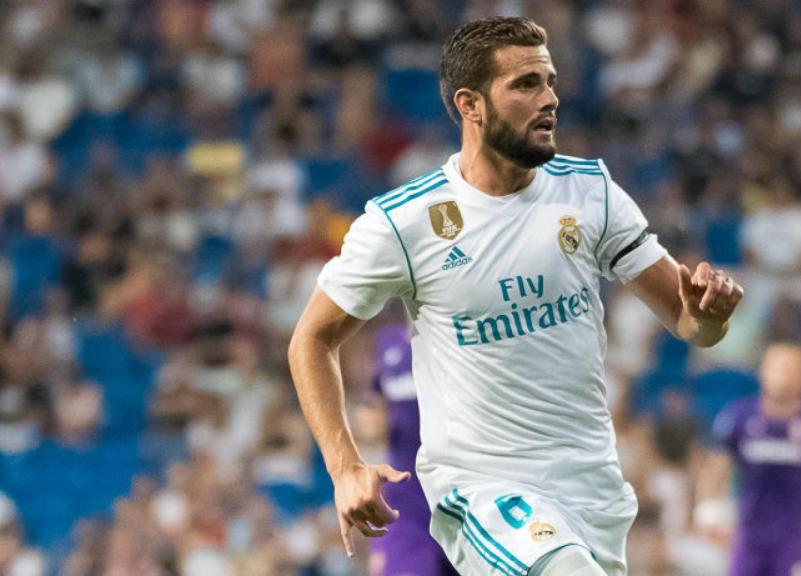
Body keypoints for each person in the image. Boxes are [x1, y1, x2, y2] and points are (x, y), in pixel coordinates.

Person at [288, 17, 743, 576]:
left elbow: (687, 320)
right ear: (470, 104)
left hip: (593, 488)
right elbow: (310, 339)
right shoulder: (405, 223)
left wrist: (710, 318)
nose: (550, 98)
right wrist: (343, 467)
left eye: (549, 81)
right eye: (526, 84)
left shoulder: (590, 191)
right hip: (484, 487)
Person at [710, 343, 801, 576]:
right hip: (749, 538)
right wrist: (709, 511)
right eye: (778, 367)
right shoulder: (739, 418)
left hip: (793, 541)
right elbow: (717, 466)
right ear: (763, 371)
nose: (784, 375)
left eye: (791, 368)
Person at [367, 323, 458, 576]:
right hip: (406, 501)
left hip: (462, 493)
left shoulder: (460, 334)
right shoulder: (387, 339)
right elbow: (377, 412)